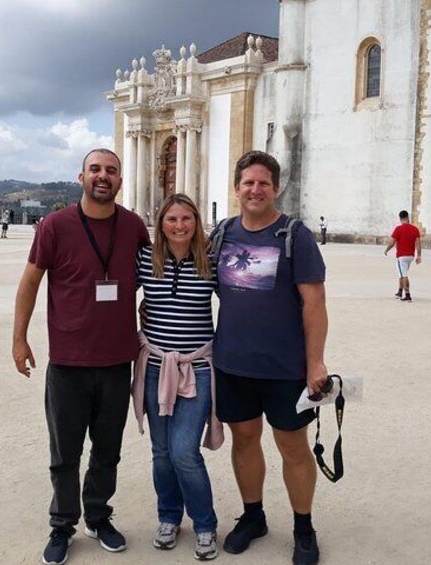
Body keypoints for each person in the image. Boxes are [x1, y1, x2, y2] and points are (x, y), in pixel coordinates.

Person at [12, 148, 149, 565]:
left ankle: (98, 516)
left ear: (120, 181)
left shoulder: (133, 227)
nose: (102, 176)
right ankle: (62, 525)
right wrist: (19, 340)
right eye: (95, 169)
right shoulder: (56, 225)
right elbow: (30, 281)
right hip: (69, 362)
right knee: (65, 452)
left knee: (108, 450)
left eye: (110, 171)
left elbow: (151, 281)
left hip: (115, 361)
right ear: (81, 177)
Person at [211, 151, 328, 565]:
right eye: (248, 183)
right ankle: (253, 516)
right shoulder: (222, 234)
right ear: (237, 187)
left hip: (284, 369)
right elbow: (193, 282)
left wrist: (315, 363)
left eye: (263, 183)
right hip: (232, 365)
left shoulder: (295, 236)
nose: (255, 190)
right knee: (244, 442)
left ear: (276, 188)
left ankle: (303, 526)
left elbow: (314, 305)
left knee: (291, 446)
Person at [132, 194, 221, 561]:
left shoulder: (211, 263)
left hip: (196, 370)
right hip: (154, 368)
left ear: (196, 222)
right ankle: (168, 517)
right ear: (161, 223)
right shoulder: (144, 260)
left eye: (186, 219)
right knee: (161, 452)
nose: (179, 225)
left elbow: (243, 303)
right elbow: (119, 295)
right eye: (172, 219)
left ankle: (204, 523)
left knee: (184, 451)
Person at [384, 210, 422, 302]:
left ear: (400, 218)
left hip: (401, 256)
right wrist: (419, 256)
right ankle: (400, 292)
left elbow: (392, 242)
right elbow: (418, 244)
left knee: (403, 275)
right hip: (410, 256)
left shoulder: (398, 229)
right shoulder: (415, 229)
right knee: (401, 274)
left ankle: (407, 294)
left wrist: (386, 250)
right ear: (407, 217)